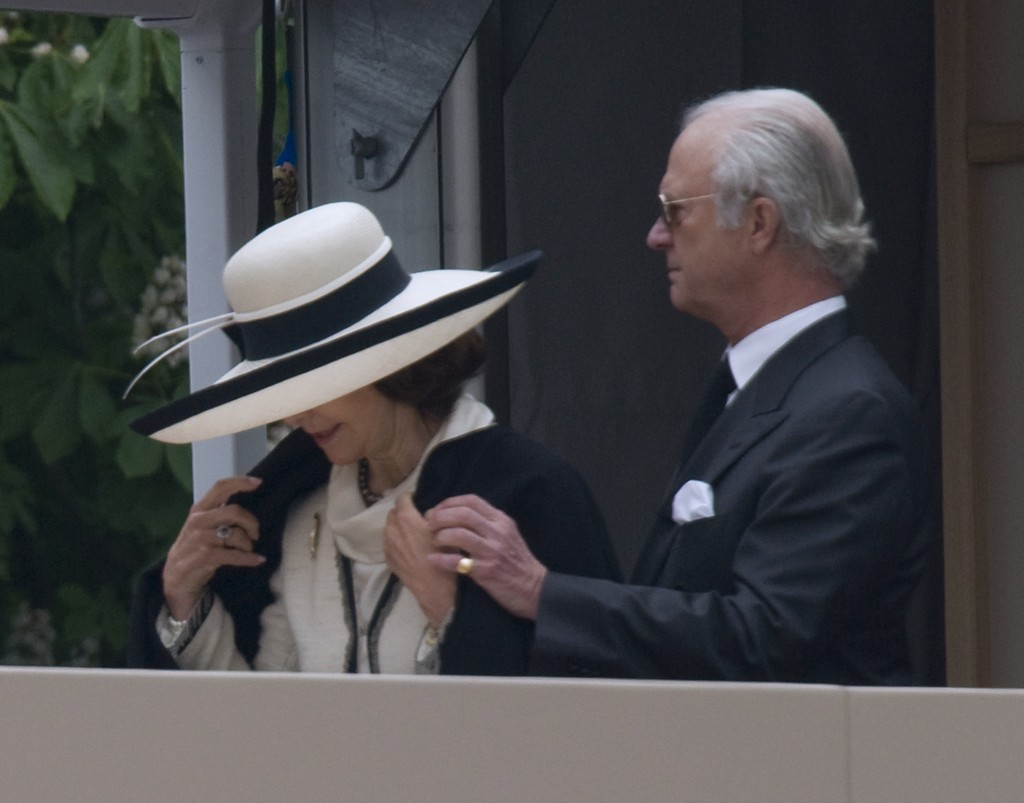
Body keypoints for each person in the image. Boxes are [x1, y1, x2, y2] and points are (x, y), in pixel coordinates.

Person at [388, 88, 932, 684]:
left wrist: (540, 589)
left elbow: (764, 637)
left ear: (758, 223)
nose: (656, 235)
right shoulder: (769, 386)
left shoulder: (847, 411)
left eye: (675, 210)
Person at [125, 202, 620, 675]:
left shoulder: (530, 493)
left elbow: (590, 702)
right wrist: (184, 601)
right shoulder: (302, 513)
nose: (296, 415)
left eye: (313, 386)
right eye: (283, 393)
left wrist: (449, 612)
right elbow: (266, 715)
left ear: (389, 364)